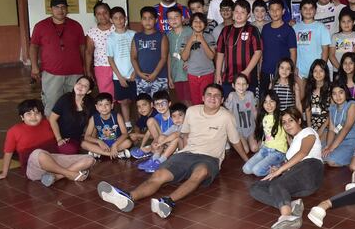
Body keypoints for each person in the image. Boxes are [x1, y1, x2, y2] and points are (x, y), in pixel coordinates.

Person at [97, 84, 249, 218]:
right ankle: (129, 197)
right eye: (209, 94)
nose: (212, 98)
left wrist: (246, 161)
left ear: (222, 100)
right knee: (159, 175)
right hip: (187, 154)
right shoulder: (192, 111)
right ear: (202, 97)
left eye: (217, 96)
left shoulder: (227, 117)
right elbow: (182, 133)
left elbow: (235, 141)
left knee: (200, 173)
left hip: (210, 158)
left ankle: (168, 201)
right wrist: (165, 142)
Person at [249, 107, 324, 229]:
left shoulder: (308, 132)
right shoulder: (294, 141)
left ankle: (286, 216)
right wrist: (280, 169)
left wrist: (280, 171)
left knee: (277, 184)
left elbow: (303, 153)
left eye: (291, 120)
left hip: (311, 169)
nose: (287, 125)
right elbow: (292, 165)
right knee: (255, 188)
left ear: (299, 121)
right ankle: (292, 205)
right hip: (300, 182)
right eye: (284, 122)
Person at [0, 99, 95, 186]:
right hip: (34, 168)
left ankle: (56, 177)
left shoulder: (47, 124)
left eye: (37, 113)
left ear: (41, 114)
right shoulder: (14, 131)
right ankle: (68, 173)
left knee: (90, 159)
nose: (34, 116)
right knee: (39, 152)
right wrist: (4, 173)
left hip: (54, 160)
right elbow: (8, 153)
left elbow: (59, 138)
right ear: (22, 117)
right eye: (29, 114)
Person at [29, 0, 86, 114]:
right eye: (57, 7)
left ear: (67, 9)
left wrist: (85, 66)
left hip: (75, 73)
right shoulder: (41, 26)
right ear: (51, 9)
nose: (60, 10)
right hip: (51, 73)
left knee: (75, 102)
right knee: (52, 103)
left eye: (63, 7)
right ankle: (52, 130)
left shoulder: (76, 26)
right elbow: (34, 46)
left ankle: (71, 128)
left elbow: (82, 47)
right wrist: (34, 66)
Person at [214, 0, 263, 96]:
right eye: (236, 11)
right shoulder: (225, 30)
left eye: (243, 12)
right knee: (229, 106)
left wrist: (246, 72)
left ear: (248, 15)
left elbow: (258, 52)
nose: (239, 15)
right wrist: (218, 73)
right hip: (229, 78)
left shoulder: (252, 30)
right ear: (232, 13)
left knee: (248, 107)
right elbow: (220, 53)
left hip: (248, 78)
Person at [260, 0, 297, 101]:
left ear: (283, 11)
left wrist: (291, 72)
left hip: (282, 73)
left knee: (280, 101)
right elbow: (262, 51)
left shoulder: (288, 30)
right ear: (268, 12)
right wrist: (260, 68)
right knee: (265, 100)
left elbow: (293, 52)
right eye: (272, 10)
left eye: (278, 9)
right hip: (266, 71)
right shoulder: (265, 28)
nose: (275, 12)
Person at [243, 92, 287, 177]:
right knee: (246, 169)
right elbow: (265, 135)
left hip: (278, 152)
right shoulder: (264, 117)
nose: (269, 105)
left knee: (256, 171)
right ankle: (271, 165)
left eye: (271, 101)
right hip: (265, 149)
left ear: (276, 102)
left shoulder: (282, 116)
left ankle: (280, 166)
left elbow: (289, 135)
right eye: (265, 102)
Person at [106, 7, 137, 128]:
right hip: (119, 76)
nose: (119, 20)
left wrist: (135, 72)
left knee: (135, 100)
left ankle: (140, 123)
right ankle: (127, 123)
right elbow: (110, 59)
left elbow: (137, 55)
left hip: (134, 74)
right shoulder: (110, 38)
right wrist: (119, 77)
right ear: (111, 20)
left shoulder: (133, 34)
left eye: (121, 17)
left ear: (126, 19)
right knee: (124, 101)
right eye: (115, 18)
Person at [48, 75, 94, 154]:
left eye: (85, 86)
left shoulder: (91, 103)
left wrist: (89, 139)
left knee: (71, 150)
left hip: (75, 138)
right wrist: (59, 139)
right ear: (75, 85)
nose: (80, 86)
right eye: (79, 83)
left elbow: (93, 123)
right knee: (66, 150)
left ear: (89, 91)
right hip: (57, 136)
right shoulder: (65, 98)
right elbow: (52, 119)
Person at [137, 103, 187, 173]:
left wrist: (161, 143)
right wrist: (155, 143)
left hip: (184, 152)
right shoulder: (174, 126)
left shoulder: (185, 126)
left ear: (186, 116)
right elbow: (163, 135)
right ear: (171, 118)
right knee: (162, 136)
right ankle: (155, 159)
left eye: (180, 115)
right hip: (174, 149)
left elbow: (176, 135)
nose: (177, 119)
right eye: (174, 116)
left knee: (177, 139)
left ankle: (160, 161)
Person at [322, 81, 355, 167]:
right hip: (338, 140)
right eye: (334, 94)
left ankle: (354, 157)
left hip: (352, 141)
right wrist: (328, 146)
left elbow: (346, 129)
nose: (338, 96)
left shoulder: (352, 106)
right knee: (318, 153)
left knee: (331, 161)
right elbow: (331, 129)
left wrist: (331, 148)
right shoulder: (332, 108)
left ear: (346, 92)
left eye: (341, 92)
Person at [81, 92, 133, 159]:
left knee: (128, 142)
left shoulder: (117, 116)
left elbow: (125, 134)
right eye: (100, 105)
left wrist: (115, 145)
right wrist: (99, 141)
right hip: (102, 144)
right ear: (96, 107)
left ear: (112, 106)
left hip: (117, 142)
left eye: (107, 104)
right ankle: (113, 154)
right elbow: (87, 137)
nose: (104, 107)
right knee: (83, 144)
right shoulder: (93, 118)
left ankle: (100, 153)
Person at [131, 7, 169, 96]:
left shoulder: (162, 36)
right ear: (141, 20)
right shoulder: (137, 36)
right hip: (141, 78)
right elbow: (133, 57)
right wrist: (139, 73)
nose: (147, 21)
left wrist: (155, 74)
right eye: (144, 18)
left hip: (159, 77)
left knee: (160, 104)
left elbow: (164, 58)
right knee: (144, 104)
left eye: (150, 18)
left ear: (156, 20)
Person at [181, 12, 216, 106]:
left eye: (201, 21)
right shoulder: (186, 38)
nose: (198, 23)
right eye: (195, 21)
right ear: (191, 24)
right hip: (192, 74)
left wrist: (202, 40)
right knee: (196, 101)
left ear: (205, 24)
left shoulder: (209, 37)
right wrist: (190, 41)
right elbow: (184, 57)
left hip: (207, 73)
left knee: (207, 100)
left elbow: (212, 56)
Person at [294, 0, 331, 80]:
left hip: (316, 71)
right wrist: (294, 66)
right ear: (300, 10)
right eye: (305, 8)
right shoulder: (295, 27)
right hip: (299, 71)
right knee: (301, 93)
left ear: (315, 10)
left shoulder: (321, 27)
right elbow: (293, 50)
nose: (308, 11)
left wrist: (321, 68)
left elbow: (325, 50)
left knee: (316, 92)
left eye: (311, 8)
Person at [84, 1, 114, 99]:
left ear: (110, 13)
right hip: (102, 68)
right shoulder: (92, 32)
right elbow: (88, 52)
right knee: (106, 96)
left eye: (105, 12)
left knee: (122, 97)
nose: (102, 16)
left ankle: (120, 114)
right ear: (95, 16)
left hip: (120, 67)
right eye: (99, 13)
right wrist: (88, 70)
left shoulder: (117, 28)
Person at [165, 7, 193, 104]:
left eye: (176, 17)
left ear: (182, 18)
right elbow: (168, 56)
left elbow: (198, 50)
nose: (173, 20)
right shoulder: (168, 36)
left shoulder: (190, 31)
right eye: (170, 18)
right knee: (182, 101)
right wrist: (169, 76)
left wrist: (191, 62)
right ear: (167, 21)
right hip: (176, 74)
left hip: (189, 73)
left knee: (191, 100)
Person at [224, 73, 257, 154]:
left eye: (244, 84)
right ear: (233, 85)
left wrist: (258, 125)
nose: (241, 86)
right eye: (238, 84)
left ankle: (259, 141)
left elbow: (254, 110)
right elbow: (229, 112)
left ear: (247, 85)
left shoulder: (250, 95)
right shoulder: (232, 95)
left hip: (250, 128)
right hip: (239, 129)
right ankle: (229, 140)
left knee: (254, 148)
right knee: (245, 150)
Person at [302, 60, 331, 138]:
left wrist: (321, 129)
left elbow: (333, 112)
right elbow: (308, 109)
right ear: (312, 73)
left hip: (327, 125)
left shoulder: (331, 89)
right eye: (315, 71)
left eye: (321, 71)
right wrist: (309, 128)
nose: (318, 74)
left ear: (326, 72)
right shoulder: (309, 87)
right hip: (313, 125)